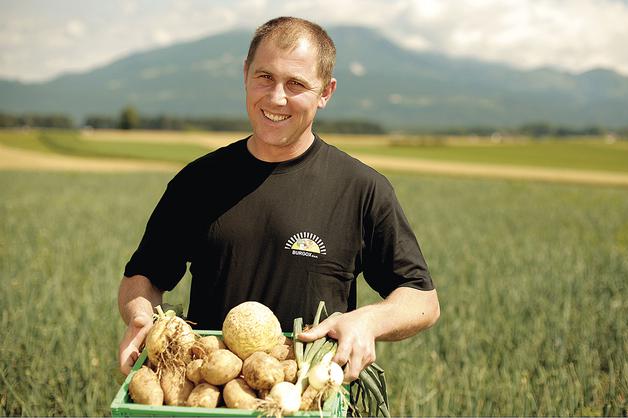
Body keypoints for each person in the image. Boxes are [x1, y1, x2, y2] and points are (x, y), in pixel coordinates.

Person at [118, 16, 440, 383]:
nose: (276, 97)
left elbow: (421, 300)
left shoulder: (361, 188)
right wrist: (141, 316)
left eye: (297, 84)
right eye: (265, 77)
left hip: (307, 391)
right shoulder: (198, 181)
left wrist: (368, 320)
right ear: (245, 74)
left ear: (326, 93)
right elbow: (142, 276)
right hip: (212, 395)